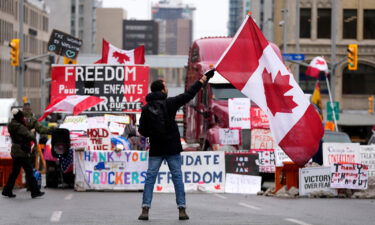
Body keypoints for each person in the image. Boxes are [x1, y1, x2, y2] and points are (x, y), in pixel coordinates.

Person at [137, 68, 215, 221]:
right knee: (177, 178)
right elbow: (189, 94)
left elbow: (143, 131)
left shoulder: (146, 109)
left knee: (150, 178)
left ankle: (145, 209)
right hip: (172, 147)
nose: (167, 89)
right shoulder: (171, 103)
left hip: (156, 149)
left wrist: (154, 132)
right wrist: (203, 79)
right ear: (161, 89)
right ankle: (182, 209)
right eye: (166, 86)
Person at [2, 109, 45, 198]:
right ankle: (35, 192)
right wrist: (32, 132)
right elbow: (30, 136)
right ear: (19, 117)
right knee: (29, 171)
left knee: (15, 172)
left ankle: (7, 190)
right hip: (21, 151)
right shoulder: (19, 126)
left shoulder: (11, 125)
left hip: (15, 150)